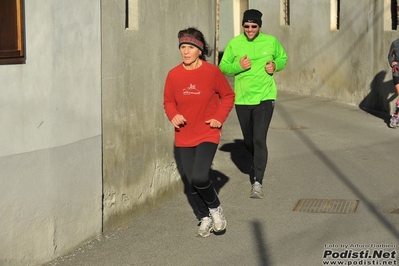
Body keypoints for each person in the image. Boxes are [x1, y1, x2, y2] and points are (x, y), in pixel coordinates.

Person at [163, 27, 235, 237]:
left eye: (190, 47)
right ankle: (204, 217)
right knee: (190, 180)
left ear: (199, 50)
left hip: (207, 132)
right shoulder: (173, 75)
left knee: (200, 176)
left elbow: (228, 96)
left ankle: (215, 209)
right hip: (184, 135)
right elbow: (168, 101)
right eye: (182, 47)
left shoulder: (212, 72)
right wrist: (173, 114)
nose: (185, 52)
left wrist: (219, 117)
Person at [219, 9, 288, 199]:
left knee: (259, 138)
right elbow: (223, 67)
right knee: (249, 140)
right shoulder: (235, 43)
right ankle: (256, 159)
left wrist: (275, 65)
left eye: (254, 26)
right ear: (243, 26)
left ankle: (257, 181)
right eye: (247, 26)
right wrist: (238, 67)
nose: (250, 29)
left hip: (265, 97)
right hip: (242, 98)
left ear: (259, 26)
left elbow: (283, 58)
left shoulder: (271, 41)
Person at [387, 38, 399, 128]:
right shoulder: (395, 43)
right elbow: (390, 56)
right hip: (397, 72)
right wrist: (392, 62)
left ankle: (395, 116)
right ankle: (395, 117)